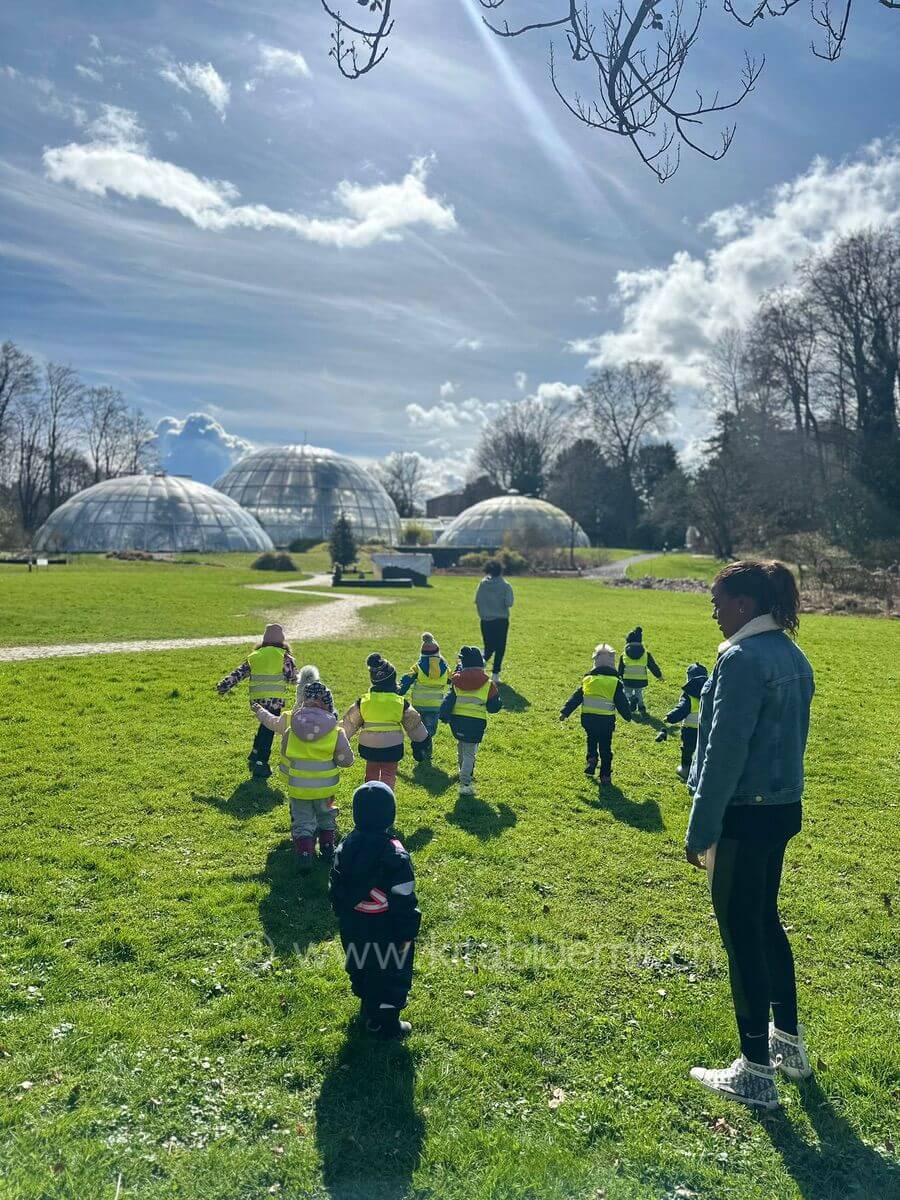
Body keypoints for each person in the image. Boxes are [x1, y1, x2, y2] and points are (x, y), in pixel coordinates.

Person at [686, 560, 815, 1111]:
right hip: (781, 810)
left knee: (742, 936)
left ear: (743, 604)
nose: (713, 613)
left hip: (741, 815)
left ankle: (755, 1071)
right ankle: (789, 1047)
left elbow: (723, 755)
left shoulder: (741, 660)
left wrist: (700, 826)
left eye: (718, 602)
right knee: (765, 924)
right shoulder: (792, 654)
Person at [329, 781, 421, 1038]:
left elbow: (335, 883)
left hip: (353, 924)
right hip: (388, 928)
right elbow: (404, 897)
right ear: (391, 815)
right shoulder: (396, 854)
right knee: (393, 972)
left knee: (360, 963)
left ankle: (367, 1002)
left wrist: (341, 911)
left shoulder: (345, 846)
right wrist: (408, 931)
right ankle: (386, 1022)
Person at [252, 665, 354, 869]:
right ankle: (327, 846)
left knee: (302, 819)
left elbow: (285, 754)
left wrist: (286, 776)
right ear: (328, 706)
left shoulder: (291, 728)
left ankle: (305, 852)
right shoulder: (335, 732)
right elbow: (346, 760)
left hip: (298, 787)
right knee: (326, 815)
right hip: (325, 788)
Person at [216, 623, 298, 779]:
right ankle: (261, 763)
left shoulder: (255, 656)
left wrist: (224, 686)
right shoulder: (284, 657)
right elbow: (292, 678)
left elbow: (238, 673)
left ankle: (255, 753)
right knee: (269, 730)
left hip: (256, 701)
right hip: (273, 700)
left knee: (264, 725)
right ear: (281, 640)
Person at [342, 653, 431, 790]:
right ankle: (386, 797)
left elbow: (349, 724)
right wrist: (422, 742)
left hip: (369, 747)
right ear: (392, 680)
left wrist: (339, 740)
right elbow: (414, 725)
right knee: (389, 774)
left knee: (371, 772)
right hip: (392, 747)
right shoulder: (400, 702)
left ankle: (369, 794)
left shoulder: (364, 701)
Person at [559, 643, 633, 784]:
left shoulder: (588, 680)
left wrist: (565, 712)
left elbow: (576, 697)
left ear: (595, 661)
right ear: (613, 662)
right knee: (605, 747)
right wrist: (628, 716)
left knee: (591, 739)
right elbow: (622, 702)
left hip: (588, 719)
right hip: (606, 722)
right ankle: (605, 775)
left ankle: (591, 760)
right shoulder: (615, 682)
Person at [439, 646, 502, 795]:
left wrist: (444, 715)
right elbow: (493, 707)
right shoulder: (488, 684)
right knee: (469, 753)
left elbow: (449, 700)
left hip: (457, 721)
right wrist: (498, 702)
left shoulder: (457, 681)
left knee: (462, 746)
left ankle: (462, 771)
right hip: (475, 723)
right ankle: (465, 783)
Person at [397, 633, 450, 748]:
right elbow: (452, 680)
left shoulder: (418, 667)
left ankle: (418, 744)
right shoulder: (445, 668)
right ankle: (427, 747)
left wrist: (399, 692)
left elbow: (407, 680)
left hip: (419, 704)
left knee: (418, 727)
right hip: (436, 705)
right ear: (438, 652)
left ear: (422, 653)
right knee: (430, 729)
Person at [661, 663, 709, 782]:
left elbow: (682, 709)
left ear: (689, 678)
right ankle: (703, 770)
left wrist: (670, 717)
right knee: (704, 749)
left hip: (690, 730)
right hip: (707, 729)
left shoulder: (688, 695)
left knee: (687, 750)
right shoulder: (711, 692)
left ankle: (685, 769)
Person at [475, 560, 514, 683]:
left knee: (488, 647)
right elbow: (509, 603)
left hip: (485, 620)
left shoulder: (483, 584)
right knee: (500, 647)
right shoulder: (506, 586)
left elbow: (477, 600)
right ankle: (495, 674)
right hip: (501, 620)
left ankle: (477, 667)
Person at [617, 626, 663, 713]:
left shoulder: (624, 655)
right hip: (641, 680)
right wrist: (659, 676)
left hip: (627, 680)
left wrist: (618, 677)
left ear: (627, 641)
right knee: (639, 693)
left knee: (627, 692)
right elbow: (653, 666)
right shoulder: (646, 654)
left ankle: (631, 700)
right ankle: (641, 707)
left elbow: (620, 669)